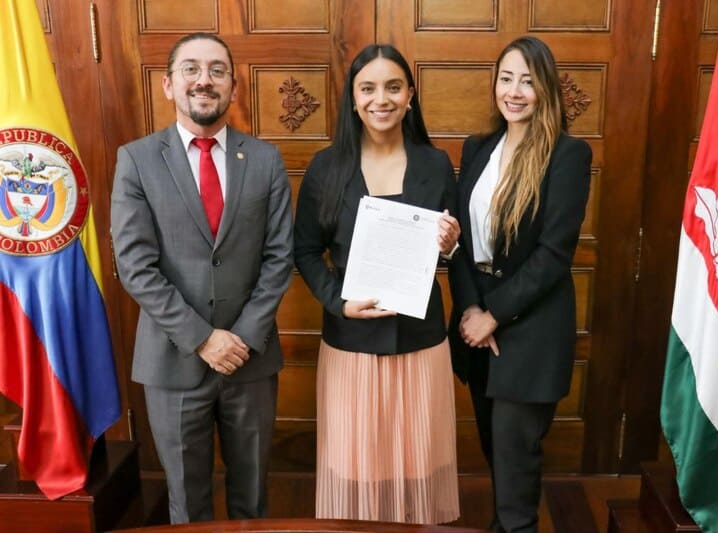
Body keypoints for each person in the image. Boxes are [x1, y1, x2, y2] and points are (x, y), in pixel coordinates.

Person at [110, 32, 293, 523]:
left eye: (216, 70)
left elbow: (279, 258)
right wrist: (202, 339)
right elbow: (135, 266)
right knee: (186, 504)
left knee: (251, 498)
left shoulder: (266, 160)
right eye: (190, 69)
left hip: (249, 361)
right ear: (168, 85)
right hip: (173, 362)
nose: (203, 80)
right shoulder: (138, 160)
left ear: (234, 86)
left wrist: (242, 337)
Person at [294, 44, 461, 524]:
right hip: (352, 344)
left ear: (411, 95)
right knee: (358, 462)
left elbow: (452, 252)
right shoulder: (326, 167)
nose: (380, 99)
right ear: (353, 98)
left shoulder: (435, 163)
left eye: (393, 87)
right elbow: (304, 250)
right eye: (368, 88)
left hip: (421, 341)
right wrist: (337, 302)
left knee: (418, 460)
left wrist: (449, 245)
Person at [448, 36, 592, 533]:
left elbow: (553, 256)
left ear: (546, 89)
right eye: (506, 78)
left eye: (528, 81)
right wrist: (470, 310)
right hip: (477, 325)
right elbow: (461, 242)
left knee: (516, 466)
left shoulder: (567, 155)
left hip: (530, 331)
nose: (514, 91)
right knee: (498, 454)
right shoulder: (477, 147)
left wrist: (495, 314)